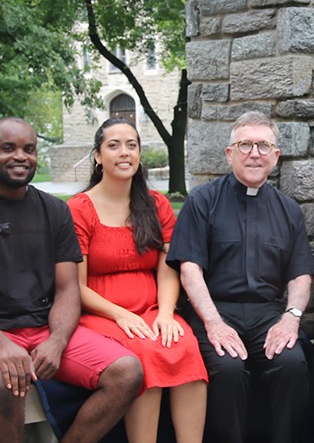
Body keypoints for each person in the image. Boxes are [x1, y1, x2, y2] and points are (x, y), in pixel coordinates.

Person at [0, 117, 143, 443]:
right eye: (9, 149)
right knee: (6, 384)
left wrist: (57, 341)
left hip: (46, 329)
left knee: (127, 371)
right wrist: (1, 344)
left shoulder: (54, 211)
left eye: (29, 150)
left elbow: (67, 287)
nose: (21, 156)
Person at [167, 111, 314, 443]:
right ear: (229, 153)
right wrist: (214, 322)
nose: (254, 153)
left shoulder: (288, 210)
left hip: (267, 315)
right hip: (214, 311)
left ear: (275, 156)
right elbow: (190, 270)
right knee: (228, 369)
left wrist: (291, 318)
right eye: (245, 144)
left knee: (292, 364)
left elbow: (301, 275)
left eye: (264, 146)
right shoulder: (203, 201)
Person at [66, 118, 207, 443]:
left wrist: (167, 313)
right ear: (98, 156)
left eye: (131, 145)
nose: (124, 152)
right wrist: (120, 314)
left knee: (183, 345)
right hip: (101, 314)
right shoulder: (79, 209)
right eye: (113, 145)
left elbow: (168, 267)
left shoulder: (156, 204)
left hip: (153, 308)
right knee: (144, 352)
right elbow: (77, 285)